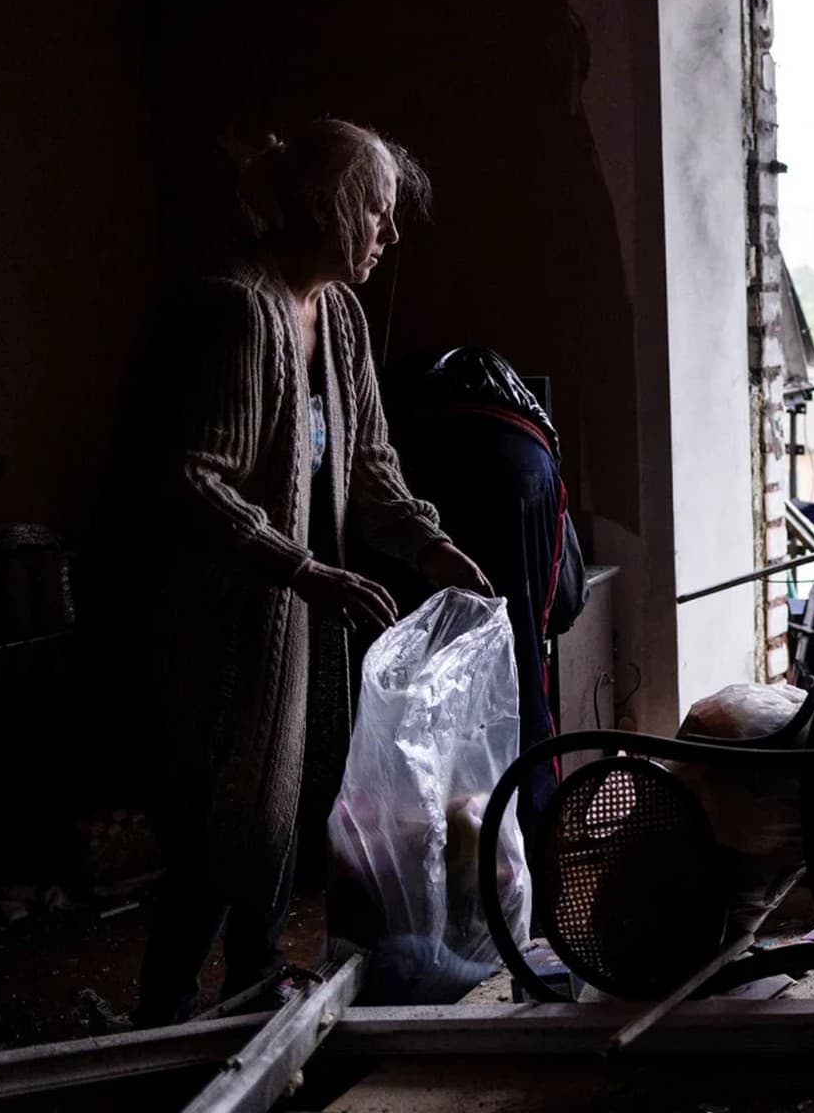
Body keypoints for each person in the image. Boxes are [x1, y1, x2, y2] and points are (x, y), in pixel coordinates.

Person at [112, 119, 492, 1026]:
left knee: (278, 814)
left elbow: (368, 467)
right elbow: (189, 480)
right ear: (328, 206)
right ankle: (163, 1013)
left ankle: (252, 993)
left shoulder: (343, 317)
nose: (387, 236)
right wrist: (301, 568)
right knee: (218, 822)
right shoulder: (238, 310)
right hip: (214, 625)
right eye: (377, 212)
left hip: (289, 619)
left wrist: (428, 543)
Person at [377, 347, 590, 831]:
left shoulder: (404, 417)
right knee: (522, 689)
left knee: (417, 702)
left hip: (418, 470)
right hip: (523, 466)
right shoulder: (531, 437)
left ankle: (431, 865)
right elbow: (566, 600)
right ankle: (526, 865)